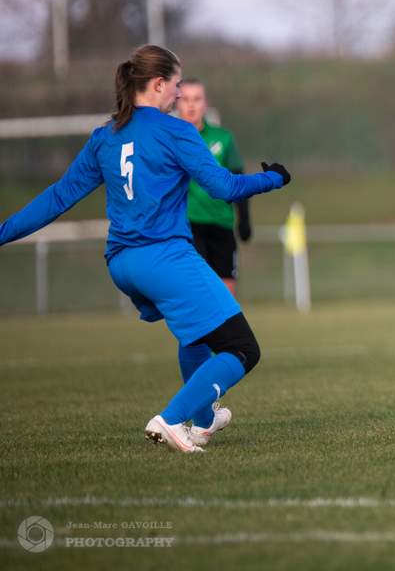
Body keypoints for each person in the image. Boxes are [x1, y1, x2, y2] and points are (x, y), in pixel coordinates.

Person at [0, 45, 290, 453]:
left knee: (194, 336)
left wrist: (2, 232)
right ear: (157, 84)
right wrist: (274, 179)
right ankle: (170, 419)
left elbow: (58, 198)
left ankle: (204, 421)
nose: (178, 96)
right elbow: (223, 187)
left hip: (122, 264)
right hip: (164, 258)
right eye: (175, 86)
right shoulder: (176, 131)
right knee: (243, 348)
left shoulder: (105, 136)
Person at [176, 78, 252, 296]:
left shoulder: (223, 139)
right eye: (185, 99)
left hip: (221, 224)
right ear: (177, 103)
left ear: (205, 103)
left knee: (227, 295)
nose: (191, 105)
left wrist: (244, 219)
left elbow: (238, 180)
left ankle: (225, 331)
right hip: (189, 226)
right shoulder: (170, 140)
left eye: (196, 99)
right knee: (200, 292)